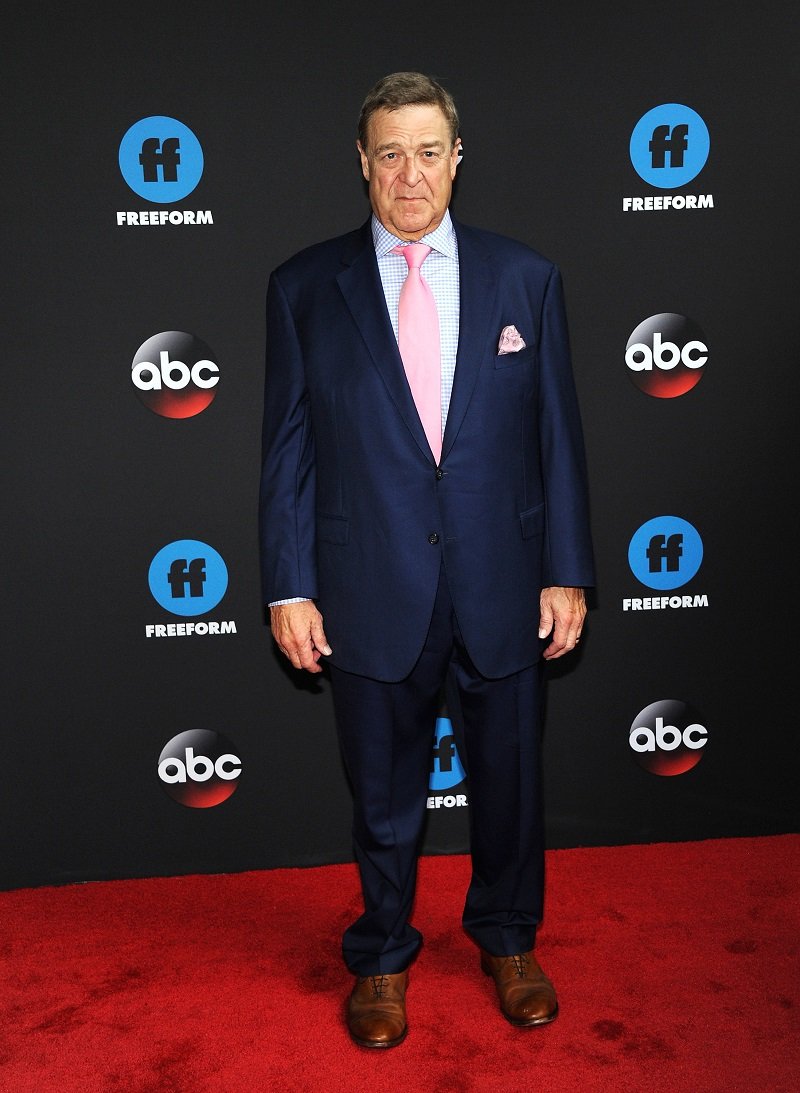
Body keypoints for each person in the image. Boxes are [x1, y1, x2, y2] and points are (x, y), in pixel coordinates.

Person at [259, 71, 594, 1049]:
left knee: (509, 783)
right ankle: (379, 955)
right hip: (368, 586)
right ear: (362, 164)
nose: (410, 173)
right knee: (382, 791)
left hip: (501, 583)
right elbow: (286, 452)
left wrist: (565, 568)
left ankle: (506, 937)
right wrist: (288, 585)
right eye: (389, 153)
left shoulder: (524, 278)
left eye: (428, 150)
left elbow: (556, 441)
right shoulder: (301, 288)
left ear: (458, 158)